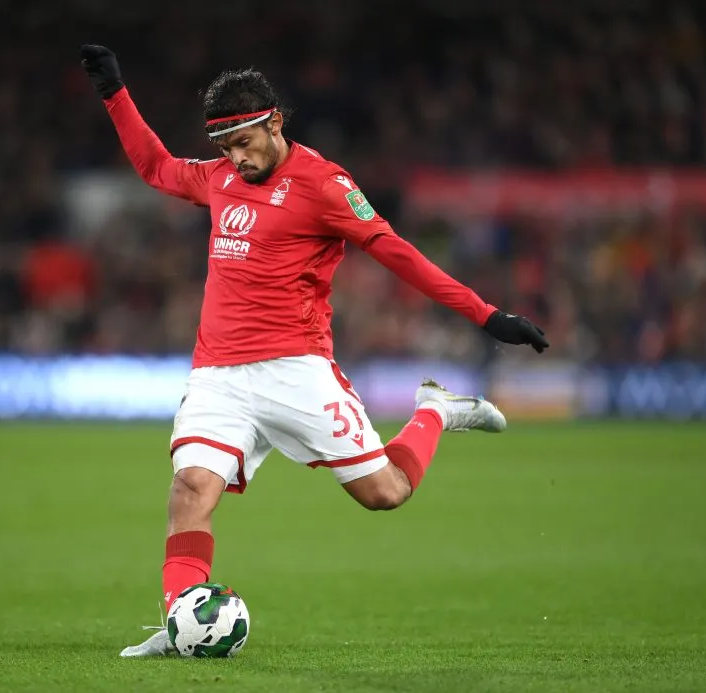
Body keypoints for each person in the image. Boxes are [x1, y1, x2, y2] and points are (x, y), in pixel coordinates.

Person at [80, 44, 549, 657]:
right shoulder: (221, 177)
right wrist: (116, 94)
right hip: (218, 374)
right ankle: (180, 622)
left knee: (385, 493)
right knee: (191, 489)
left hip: (296, 370)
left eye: (243, 143)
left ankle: (434, 410)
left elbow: (395, 252)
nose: (235, 159)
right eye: (225, 148)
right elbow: (155, 167)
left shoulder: (325, 186)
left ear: (274, 122)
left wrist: (487, 316)